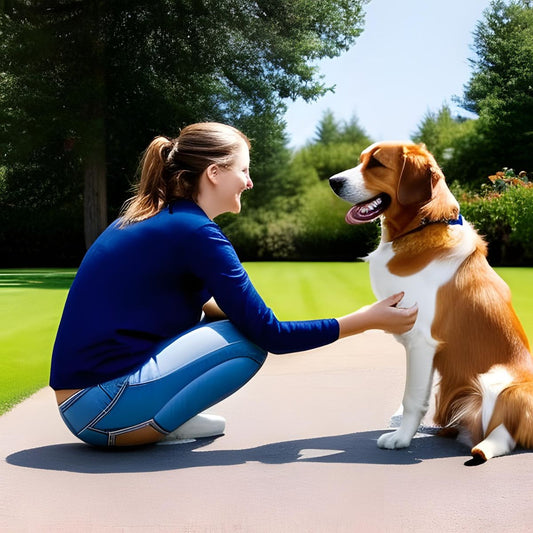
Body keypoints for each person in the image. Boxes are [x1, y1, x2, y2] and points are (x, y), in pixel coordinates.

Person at [50, 122, 418, 447]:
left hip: (86, 404)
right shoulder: (195, 232)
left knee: (237, 323)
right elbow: (271, 336)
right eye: (243, 169)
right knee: (249, 341)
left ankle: (153, 415)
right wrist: (368, 319)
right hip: (102, 410)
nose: (249, 180)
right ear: (214, 173)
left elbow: (201, 305)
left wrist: (253, 313)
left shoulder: (157, 217)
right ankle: (151, 423)